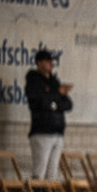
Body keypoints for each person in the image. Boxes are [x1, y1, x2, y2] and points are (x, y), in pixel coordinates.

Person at [25, 46, 73, 181]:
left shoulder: (54, 82)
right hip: (42, 133)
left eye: (51, 61)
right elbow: (41, 102)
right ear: (39, 63)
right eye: (47, 61)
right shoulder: (33, 80)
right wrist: (57, 96)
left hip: (57, 132)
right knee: (39, 172)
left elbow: (68, 104)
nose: (51, 64)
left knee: (52, 175)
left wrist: (54, 103)